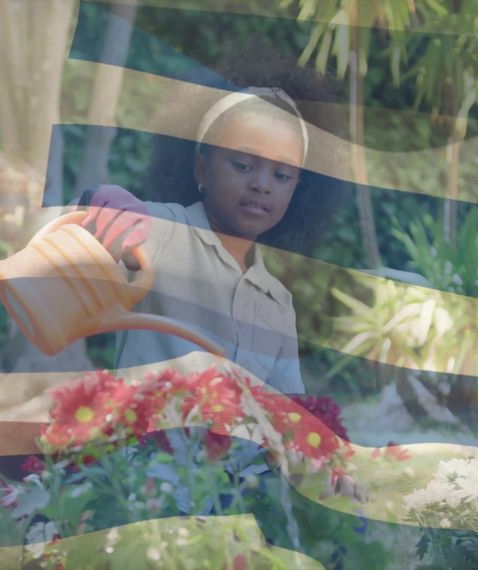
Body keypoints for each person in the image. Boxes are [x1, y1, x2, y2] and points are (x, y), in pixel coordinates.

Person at [75, 68, 344, 395]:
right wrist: (102, 205)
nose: (262, 184)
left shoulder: (277, 303)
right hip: (150, 445)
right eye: (244, 165)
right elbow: (105, 232)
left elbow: (289, 412)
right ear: (201, 169)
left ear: (298, 190)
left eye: (282, 175)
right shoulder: (163, 233)